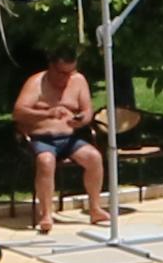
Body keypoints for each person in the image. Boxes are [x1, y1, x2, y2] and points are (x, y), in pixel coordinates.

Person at [13, 48, 114, 232]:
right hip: (41, 138)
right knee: (46, 161)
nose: (66, 78)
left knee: (94, 157)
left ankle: (95, 208)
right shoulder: (36, 83)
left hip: (69, 138)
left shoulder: (79, 81)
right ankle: (45, 213)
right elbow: (19, 113)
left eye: (70, 72)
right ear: (51, 67)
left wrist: (81, 119)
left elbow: (87, 111)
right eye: (61, 73)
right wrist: (46, 113)